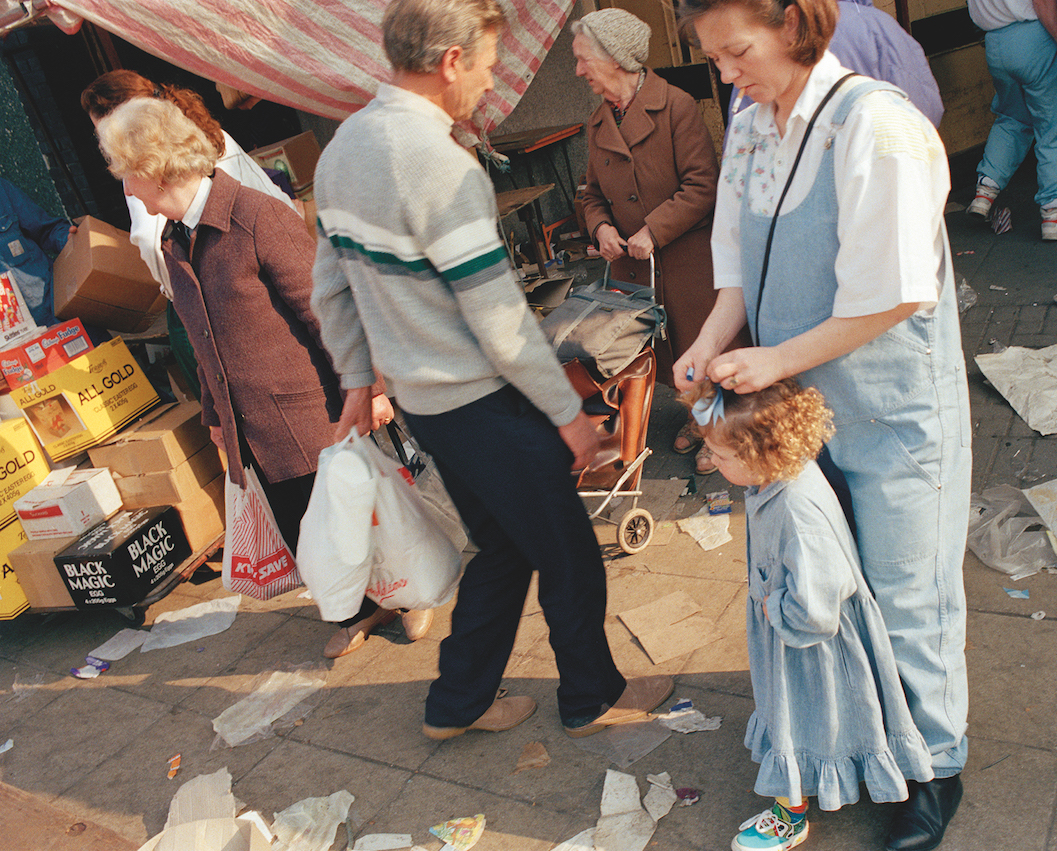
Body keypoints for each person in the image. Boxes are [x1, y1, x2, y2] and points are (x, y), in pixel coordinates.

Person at [310, 0, 672, 741]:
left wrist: (357, 380)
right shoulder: (440, 165)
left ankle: (457, 702)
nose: (490, 82)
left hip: (427, 406)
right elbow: (500, 320)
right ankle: (591, 698)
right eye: (485, 64)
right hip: (485, 403)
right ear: (449, 61)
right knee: (570, 555)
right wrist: (569, 416)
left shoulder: (343, 148)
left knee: (505, 546)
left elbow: (330, 285)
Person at [673, 0, 972, 847]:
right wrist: (707, 340)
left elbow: (899, 290)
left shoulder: (878, 126)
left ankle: (936, 764)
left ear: (794, 25)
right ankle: (871, 737)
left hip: (892, 405)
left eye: (737, 52)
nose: (726, 75)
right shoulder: (753, 123)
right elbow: (737, 262)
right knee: (834, 584)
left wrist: (773, 360)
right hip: (804, 408)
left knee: (908, 586)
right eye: (714, 59)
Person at [94, 98, 427, 660]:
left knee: (354, 520)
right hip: (251, 423)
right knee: (308, 533)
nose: (124, 187)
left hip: (309, 410)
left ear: (152, 168)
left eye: (127, 172)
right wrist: (215, 420)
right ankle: (360, 611)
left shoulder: (256, 217)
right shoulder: (176, 238)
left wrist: (372, 387)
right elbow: (203, 341)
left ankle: (408, 593)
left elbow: (329, 311)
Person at [682, 378, 933, 851]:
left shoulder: (798, 512)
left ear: (760, 453)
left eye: (720, 455)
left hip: (808, 643)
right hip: (799, 632)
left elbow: (817, 609)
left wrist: (771, 606)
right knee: (819, 718)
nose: (711, 462)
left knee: (799, 716)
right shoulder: (780, 478)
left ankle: (789, 816)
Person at [573, 7, 747, 475]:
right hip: (638, 268)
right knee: (667, 352)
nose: (578, 70)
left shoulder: (676, 106)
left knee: (706, 346)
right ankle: (698, 416)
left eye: (584, 58)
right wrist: (601, 228)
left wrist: (654, 229)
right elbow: (590, 196)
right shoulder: (597, 123)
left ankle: (725, 432)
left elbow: (703, 185)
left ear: (614, 57)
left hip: (688, 259)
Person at [80, 70, 299, 396]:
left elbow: (151, 241)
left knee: (238, 394)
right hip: (265, 262)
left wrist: (178, 291)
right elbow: (276, 199)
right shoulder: (209, 133)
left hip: (207, 288)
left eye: (99, 127)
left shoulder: (145, 162)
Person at [964, 0, 1057, 241]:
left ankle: (985, 191)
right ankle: (1054, 216)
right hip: (1034, 39)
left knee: (1012, 118)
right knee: (1053, 127)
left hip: (995, 44)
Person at [727, 0, 943, 129]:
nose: (725, 74)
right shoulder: (880, 25)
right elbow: (927, 110)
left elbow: (746, 132)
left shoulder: (768, 41)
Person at [0, 176, 72, 327]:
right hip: (14, 343)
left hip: (60, 312)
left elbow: (47, 230)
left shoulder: (2, 190)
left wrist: (73, 240)